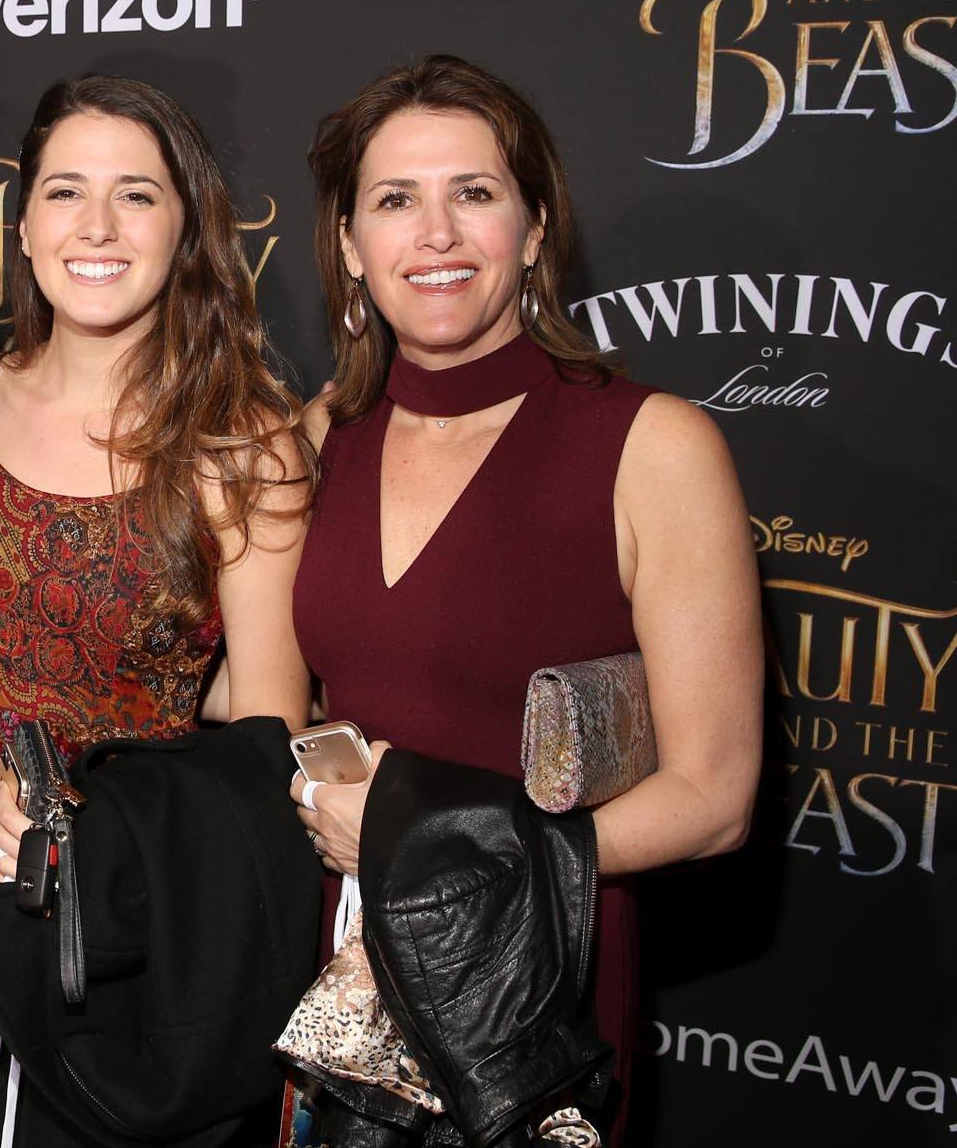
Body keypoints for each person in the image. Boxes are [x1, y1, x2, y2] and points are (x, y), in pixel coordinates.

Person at [289, 55, 763, 1142]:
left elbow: (713, 797)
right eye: (394, 200)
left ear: (536, 228)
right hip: (344, 963)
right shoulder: (321, 438)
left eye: (474, 192)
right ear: (350, 244)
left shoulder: (650, 446)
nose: (435, 235)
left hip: (533, 984)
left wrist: (423, 843)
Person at [0, 75, 313, 1146]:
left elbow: (264, 739)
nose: (96, 225)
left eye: (135, 194)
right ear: (24, 225)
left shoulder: (240, 441)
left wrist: (91, 811)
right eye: (64, 191)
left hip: (128, 886)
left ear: (185, 229)